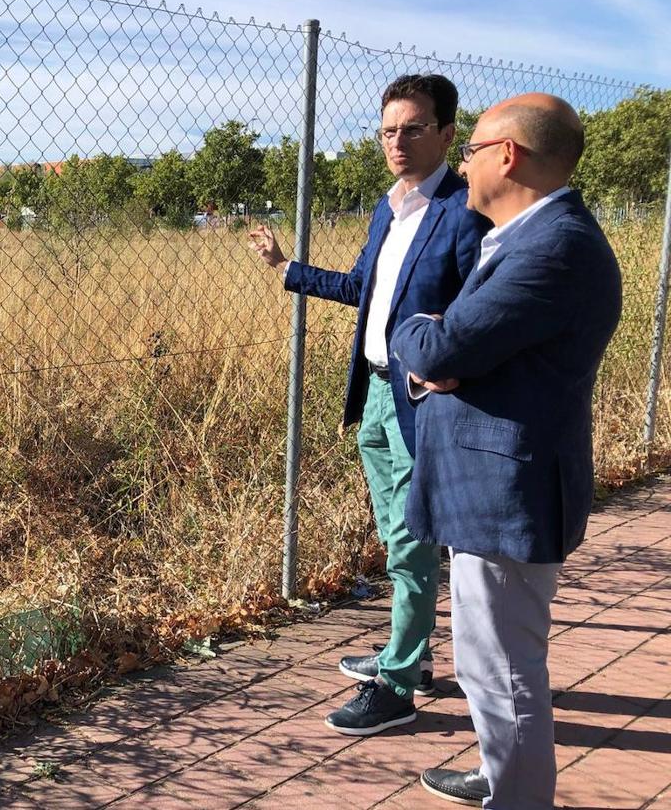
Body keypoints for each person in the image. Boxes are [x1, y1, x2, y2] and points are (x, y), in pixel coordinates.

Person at [390, 93, 622, 808]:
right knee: (488, 659)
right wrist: (439, 349)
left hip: (505, 494)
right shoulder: (530, 238)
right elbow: (458, 351)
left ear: (507, 156)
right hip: (494, 486)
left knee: (503, 667)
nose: (463, 166)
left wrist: (415, 332)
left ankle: (519, 796)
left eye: (469, 152)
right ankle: (502, 774)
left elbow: (437, 342)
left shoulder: (552, 249)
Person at [252, 73, 489, 736]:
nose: (398, 141)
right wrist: (286, 268)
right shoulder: (390, 207)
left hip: (424, 400)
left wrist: (454, 372)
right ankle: (404, 655)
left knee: (412, 542)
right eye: (388, 130)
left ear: (446, 134)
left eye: (413, 128)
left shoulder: (464, 212)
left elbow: (478, 312)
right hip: (377, 394)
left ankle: (400, 682)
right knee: (394, 537)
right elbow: (365, 287)